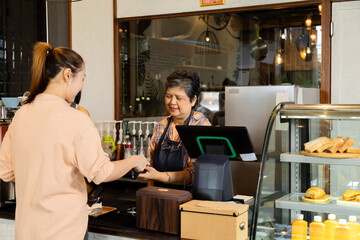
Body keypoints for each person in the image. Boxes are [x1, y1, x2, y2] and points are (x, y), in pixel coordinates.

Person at [0, 42, 149, 240]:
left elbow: (6, 171)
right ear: (67, 75)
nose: (81, 86)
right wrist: (135, 160)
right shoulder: (76, 118)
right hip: (63, 230)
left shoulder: (21, 115)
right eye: (82, 79)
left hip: (27, 230)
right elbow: (100, 173)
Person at [138, 70, 211, 190]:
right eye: (168, 96)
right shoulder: (161, 126)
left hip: (187, 200)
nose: (172, 102)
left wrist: (160, 176)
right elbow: (151, 167)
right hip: (158, 197)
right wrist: (149, 194)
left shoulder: (200, 126)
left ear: (193, 100)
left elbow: (194, 174)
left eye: (178, 98)